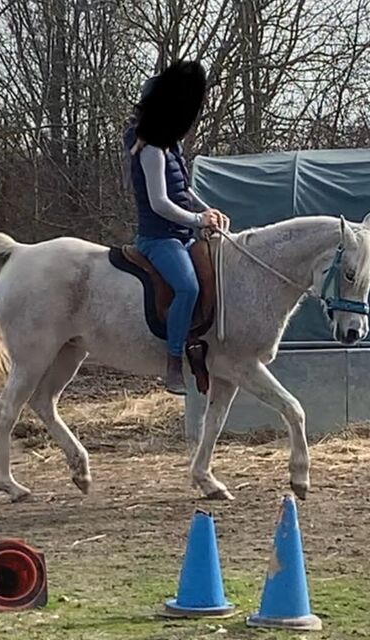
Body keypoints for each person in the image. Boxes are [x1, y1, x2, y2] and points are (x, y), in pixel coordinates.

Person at [123, 60, 227, 395]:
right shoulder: (150, 150)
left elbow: (183, 189)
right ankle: (172, 362)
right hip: (159, 238)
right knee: (187, 287)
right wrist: (198, 220)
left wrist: (206, 208)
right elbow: (160, 203)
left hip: (182, 234)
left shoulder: (171, 146)